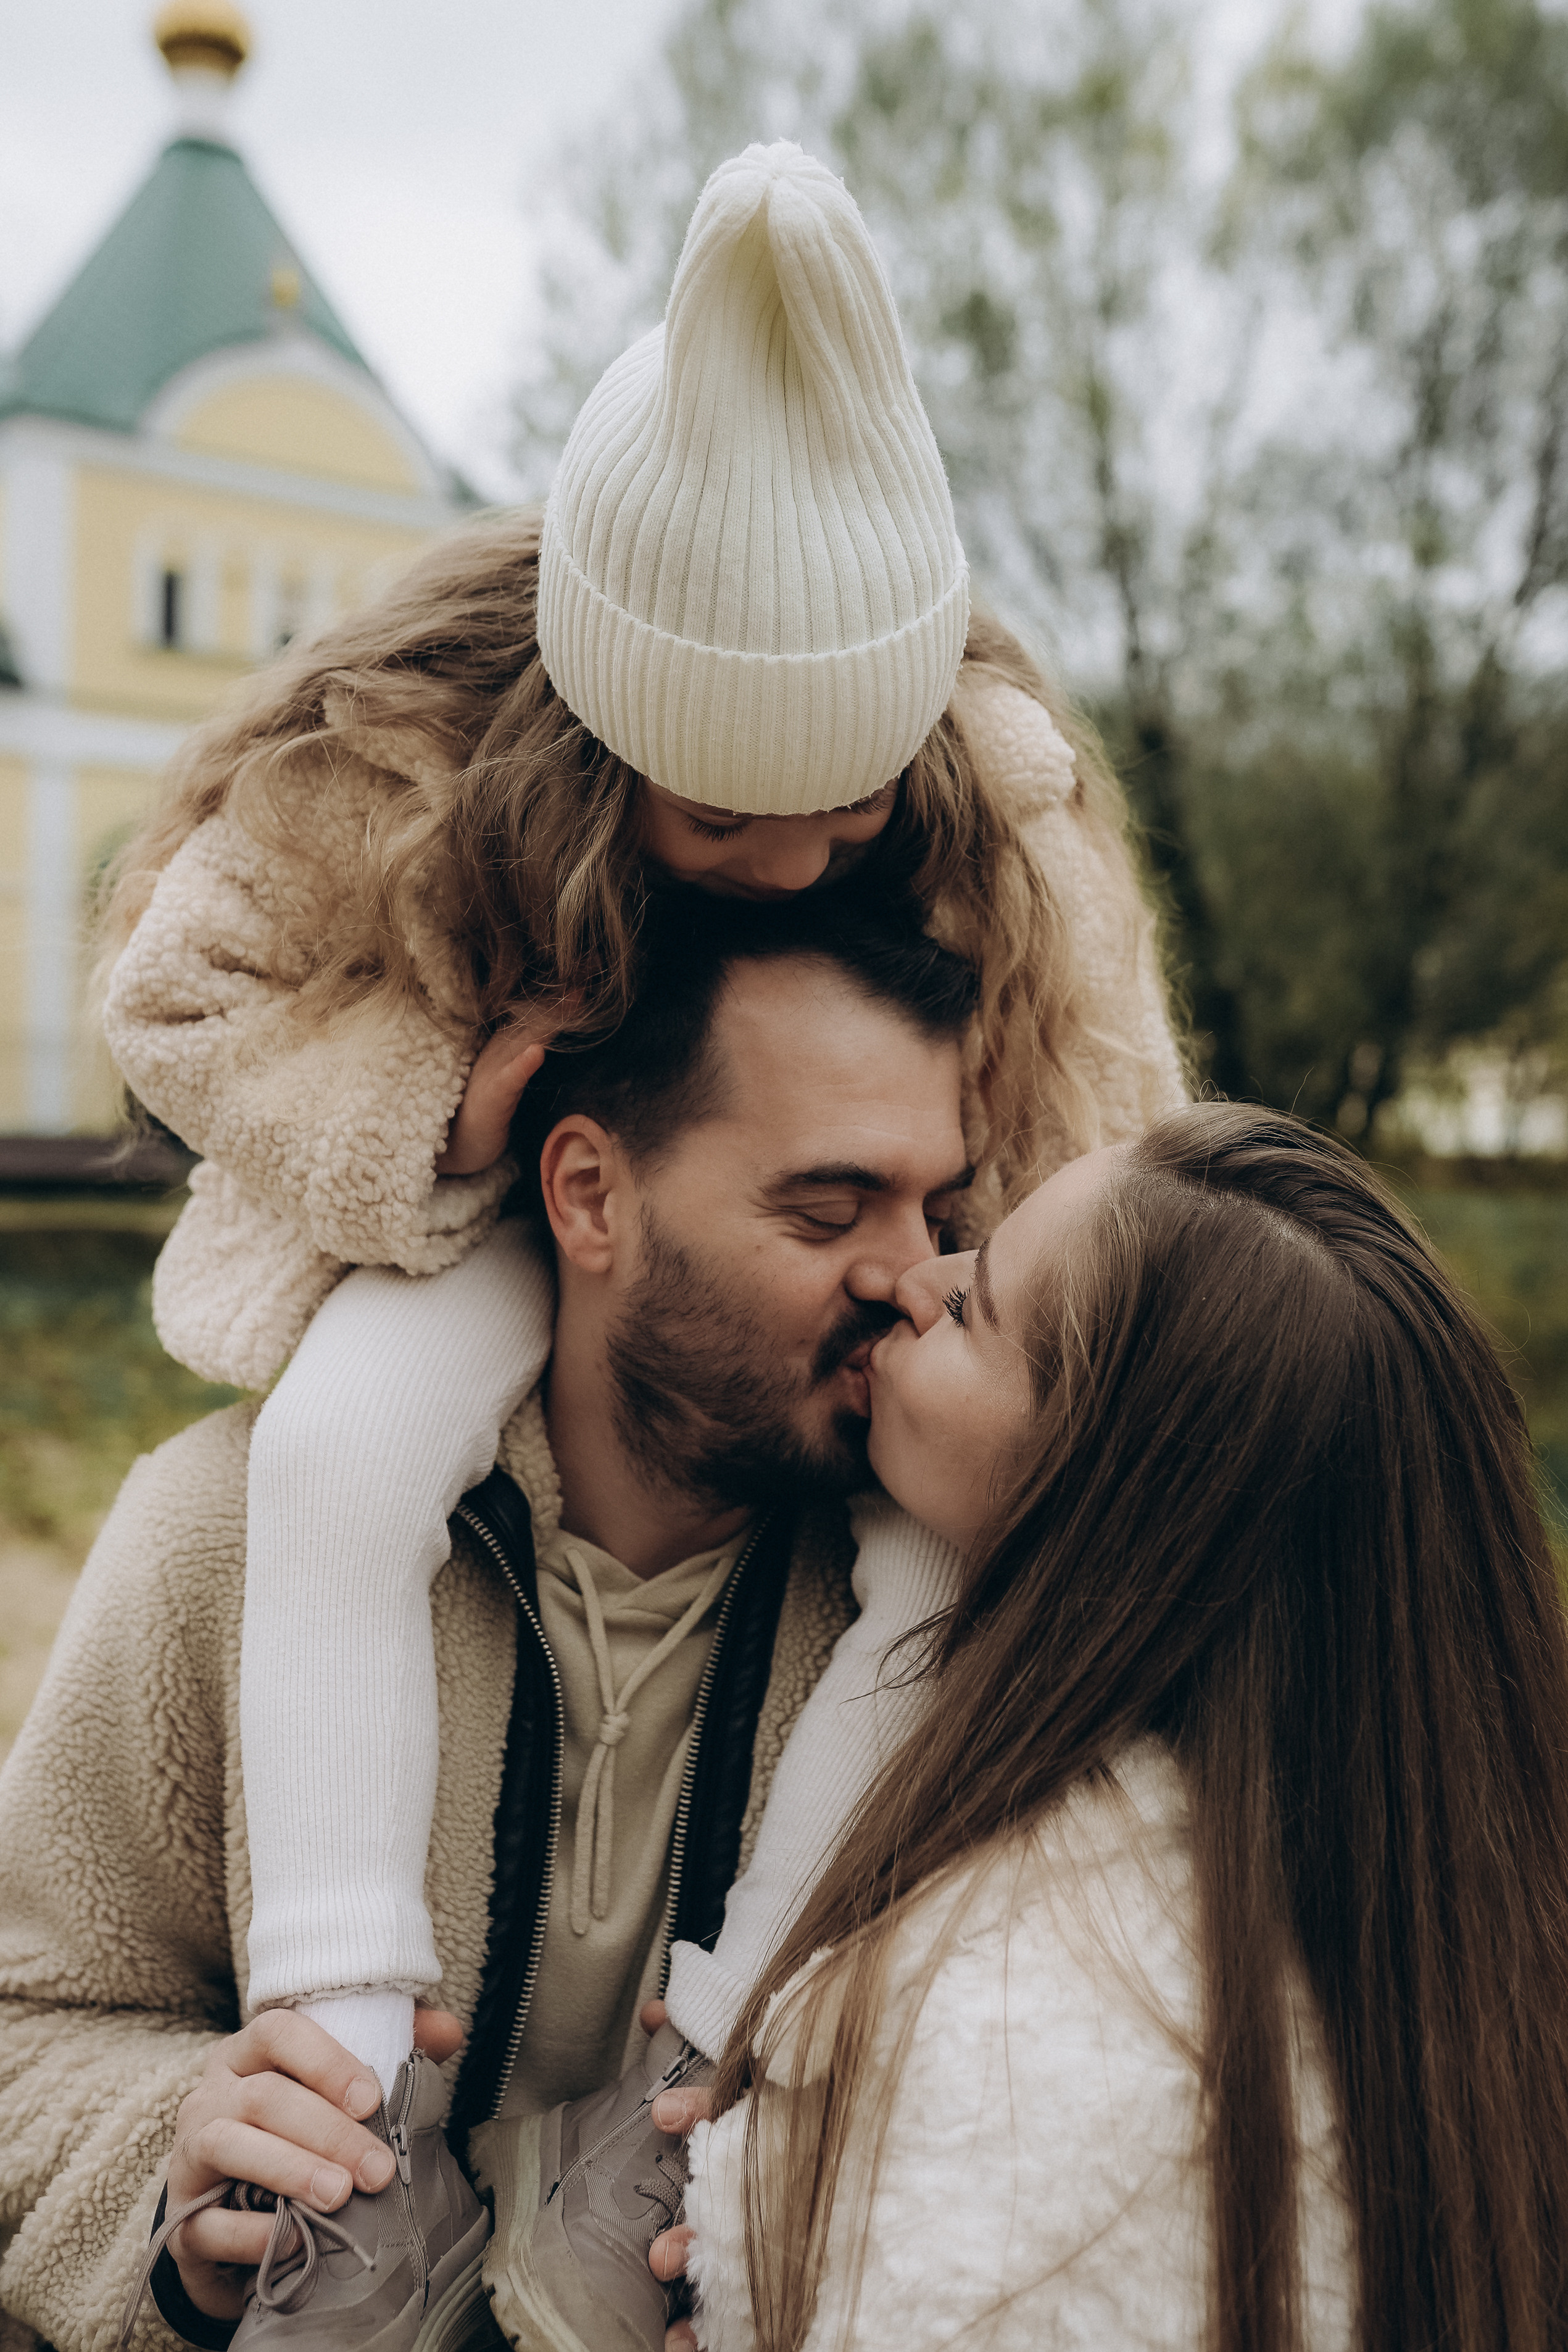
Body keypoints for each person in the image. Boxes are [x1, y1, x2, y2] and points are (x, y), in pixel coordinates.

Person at [93, 134, 1184, 2336]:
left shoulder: (995, 802)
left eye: (844, 811)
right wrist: (442, 1120)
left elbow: (1115, 1121)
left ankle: (715, 2077)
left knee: (941, 1564)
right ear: (605, 720)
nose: (788, 866)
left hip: (872, 1225)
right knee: (336, 1457)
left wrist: (1003, 1306)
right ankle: (344, 2105)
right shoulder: (429, 752)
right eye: (722, 815)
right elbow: (176, 996)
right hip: (517, 1202)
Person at [0, 896, 978, 2352]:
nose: (908, 1274)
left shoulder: (972, 1635)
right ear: (588, 1196)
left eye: (938, 1212)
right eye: (827, 1211)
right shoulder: (220, 1537)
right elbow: (27, 2030)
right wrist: (179, 2190)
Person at [670, 1104, 1568, 2352]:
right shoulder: (1439, 1921)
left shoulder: (1029, 2036)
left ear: (1111, 1486)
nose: (913, 1278)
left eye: (972, 1305)